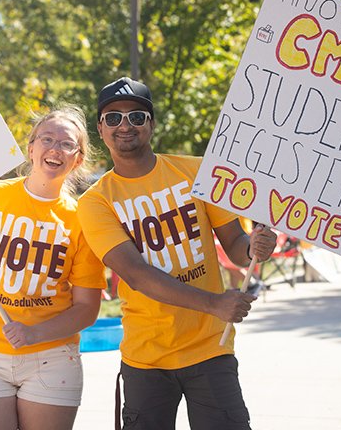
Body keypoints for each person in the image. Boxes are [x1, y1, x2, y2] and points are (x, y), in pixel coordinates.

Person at [77, 77, 277, 430]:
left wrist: (256, 247)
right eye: (114, 118)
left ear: (152, 124)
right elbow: (137, 275)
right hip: (146, 358)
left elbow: (235, 244)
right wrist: (215, 303)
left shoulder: (197, 171)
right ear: (101, 129)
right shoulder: (96, 201)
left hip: (210, 348)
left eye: (137, 117)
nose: (125, 125)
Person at [0, 105, 106, 430]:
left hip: (52, 360)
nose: (55, 148)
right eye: (46, 139)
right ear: (30, 148)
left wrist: (32, 334)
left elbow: (86, 310)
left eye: (67, 144)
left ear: (78, 159)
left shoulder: (81, 219)